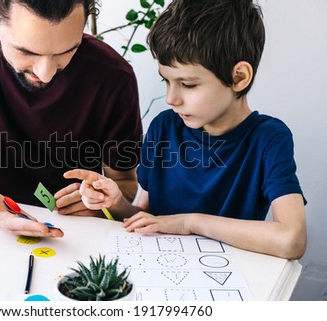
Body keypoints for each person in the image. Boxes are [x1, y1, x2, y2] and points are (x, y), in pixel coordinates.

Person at [65, 0, 307, 259]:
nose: (171, 98)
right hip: (161, 266)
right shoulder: (164, 126)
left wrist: (189, 223)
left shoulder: (269, 139)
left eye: (188, 84)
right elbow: (146, 218)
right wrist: (116, 204)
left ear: (238, 77)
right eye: (166, 81)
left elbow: (291, 240)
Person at [0, 0, 142, 238]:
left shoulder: (113, 76)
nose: (45, 73)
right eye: (26, 51)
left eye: (67, 50)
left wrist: (103, 202)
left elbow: (125, 182)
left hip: (74, 233)